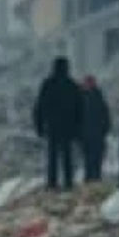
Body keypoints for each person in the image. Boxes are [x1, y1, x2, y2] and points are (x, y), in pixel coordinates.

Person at [32, 57, 84, 191]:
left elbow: (39, 107)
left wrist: (39, 126)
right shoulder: (72, 85)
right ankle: (68, 183)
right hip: (68, 128)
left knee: (52, 157)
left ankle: (52, 184)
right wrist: (79, 130)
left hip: (52, 127)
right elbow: (80, 110)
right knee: (67, 157)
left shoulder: (48, 84)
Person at [80, 76, 111, 182]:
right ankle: (92, 179)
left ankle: (93, 179)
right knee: (91, 158)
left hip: (93, 134)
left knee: (94, 158)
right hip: (90, 134)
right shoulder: (97, 98)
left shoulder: (94, 98)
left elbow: (105, 117)